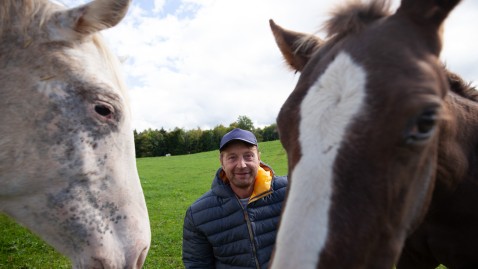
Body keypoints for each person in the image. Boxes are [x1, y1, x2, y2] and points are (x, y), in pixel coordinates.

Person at [182, 128, 288, 269]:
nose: (241, 165)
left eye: (248, 156)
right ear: (222, 162)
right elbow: (198, 265)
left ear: (259, 158)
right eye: (232, 157)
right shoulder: (197, 215)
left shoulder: (289, 192)